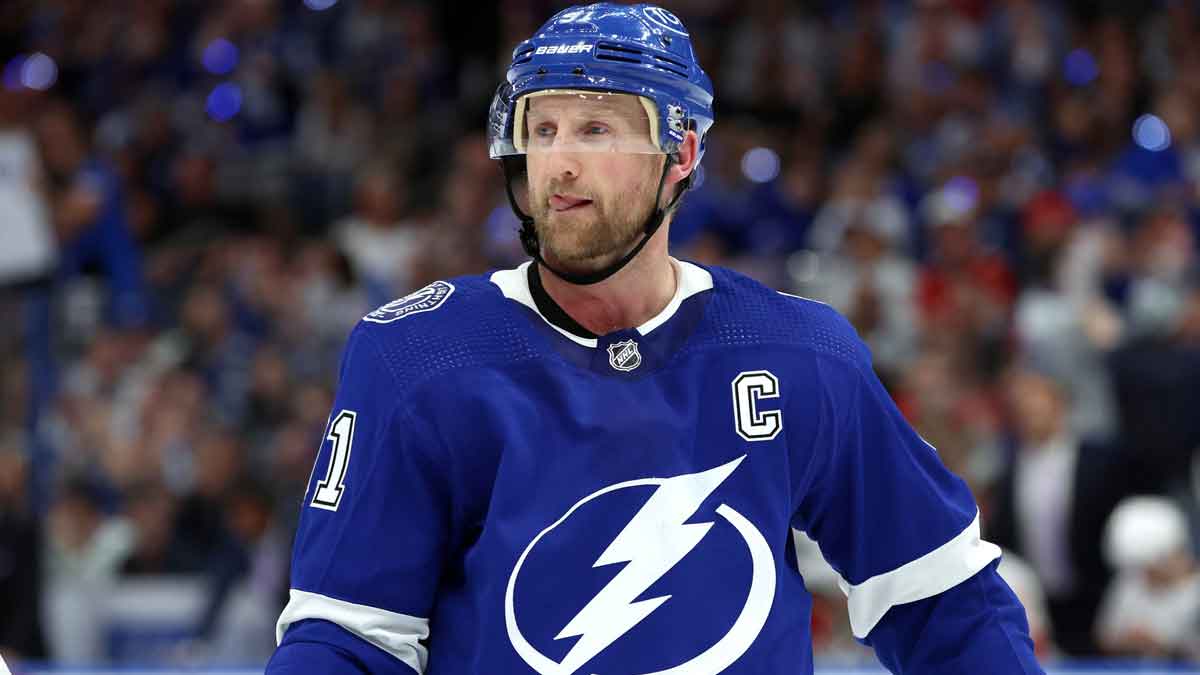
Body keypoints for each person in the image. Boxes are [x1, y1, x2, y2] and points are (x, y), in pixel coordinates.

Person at [266, 4, 1042, 673]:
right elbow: (348, 638)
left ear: (682, 154)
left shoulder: (798, 353)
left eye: (596, 128)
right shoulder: (418, 356)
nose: (560, 164)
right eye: (542, 129)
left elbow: (945, 601)